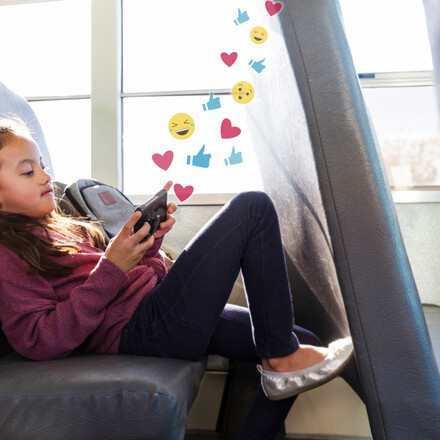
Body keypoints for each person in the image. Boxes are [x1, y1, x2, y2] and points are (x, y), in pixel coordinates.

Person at [0, 117, 353, 439]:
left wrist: (149, 247)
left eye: (43, 166)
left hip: (154, 307)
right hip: (141, 327)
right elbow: (40, 340)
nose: (46, 177)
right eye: (28, 172)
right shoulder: (7, 255)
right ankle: (280, 359)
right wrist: (112, 267)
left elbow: (131, 279)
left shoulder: (63, 230)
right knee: (251, 209)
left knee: (298, 339)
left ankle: (276, 371)